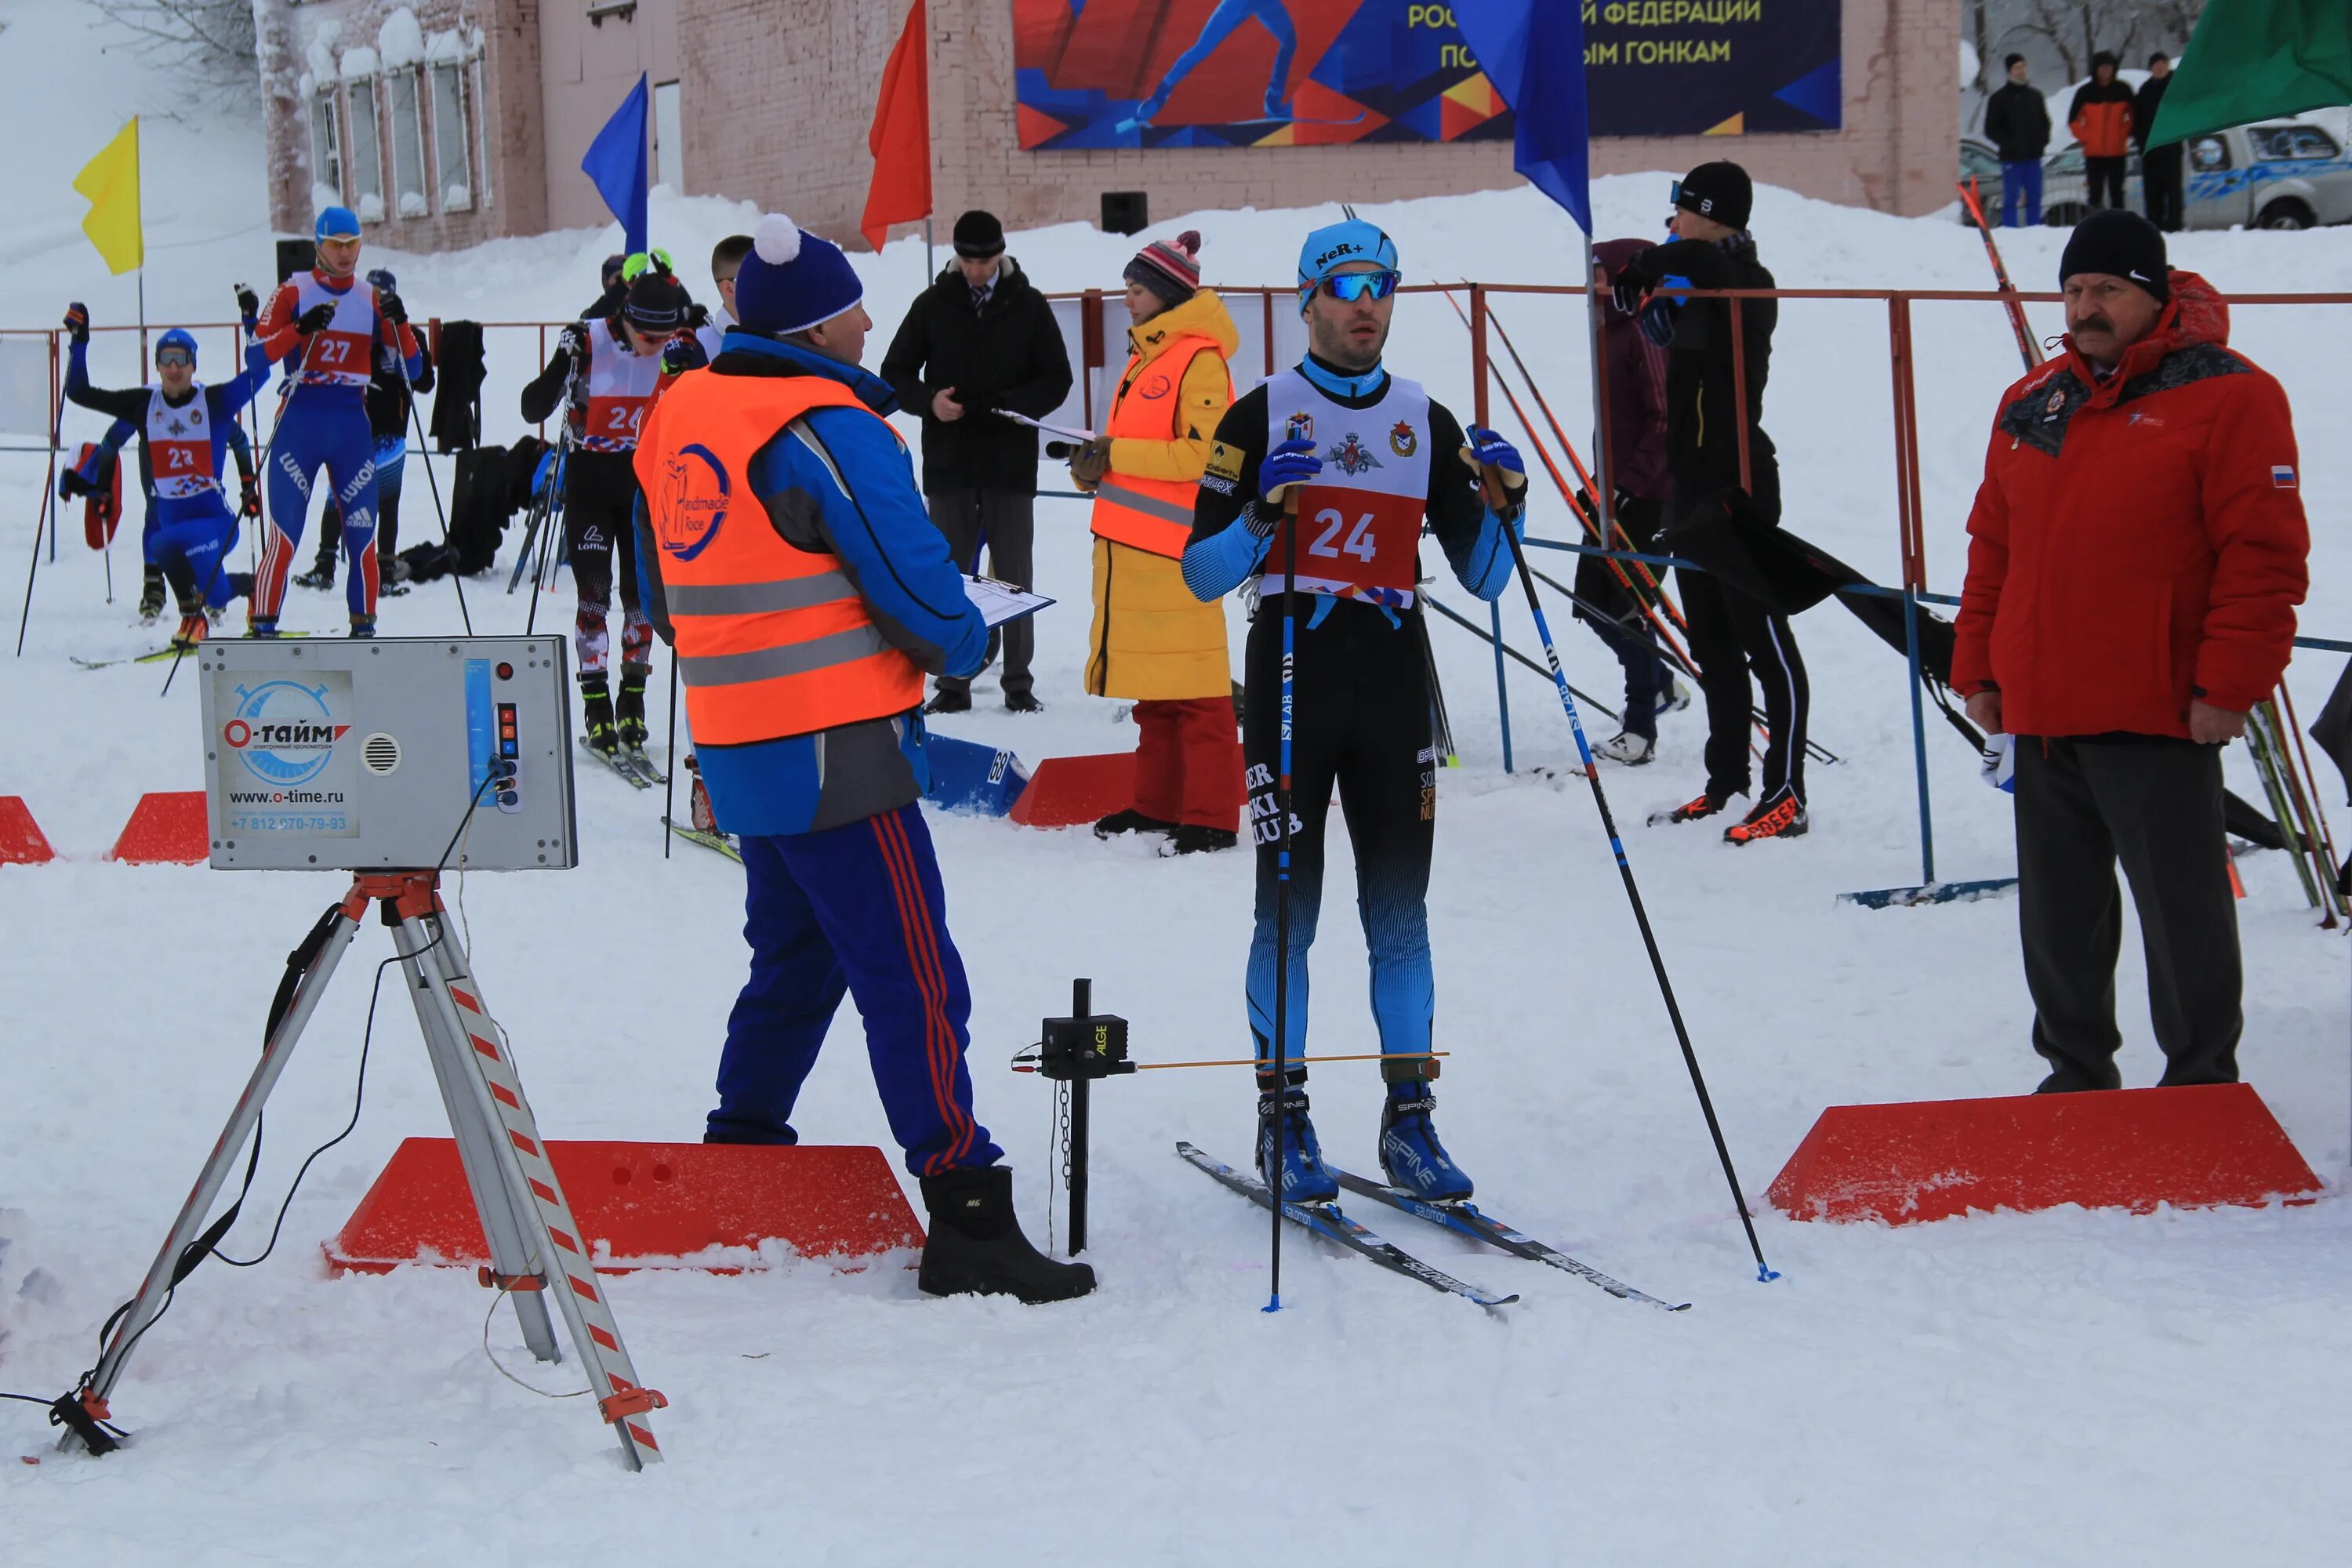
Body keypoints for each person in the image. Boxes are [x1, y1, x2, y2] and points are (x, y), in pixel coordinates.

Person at [631, 212, 1091, 1304]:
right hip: (842, 751)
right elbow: (925, 598)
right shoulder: (830, 429)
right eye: (854, 307)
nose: (870, 319)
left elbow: (660, 600)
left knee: (795, 962)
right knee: (914, 973)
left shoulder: (683, 411)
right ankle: (966, 1207)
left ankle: (742, 1150)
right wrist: (974, 635)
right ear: (817, 326)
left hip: (740, 746)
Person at [1181, 219, 1524, 1203]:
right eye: (1345, 286)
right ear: (1308, 300)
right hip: (1292, 672)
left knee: (1400, 912)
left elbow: (1488, 576)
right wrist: (1258, 516)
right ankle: (1281, 1117)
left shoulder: (1428, 419)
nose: (1365, 303)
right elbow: (1201, 573)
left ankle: (1410, 1122)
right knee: (1288, 909)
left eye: (1381, 285)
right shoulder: (1257, 417)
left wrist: (1513, 500)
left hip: (1388, 678)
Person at [1955, 210, 2308, 1093]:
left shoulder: (2231, 394)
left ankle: (2200, 1082)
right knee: (2058, 916)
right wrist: (1980, 667)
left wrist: (2232, 684)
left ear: (2154, 295)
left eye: (2107, 289)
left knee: (2182, 912)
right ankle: (2075, 1075)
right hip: (2041, 707)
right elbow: (1993, 545)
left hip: (2157, 704)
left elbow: (2263, 557)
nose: (2086, 306)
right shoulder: (2036, 400)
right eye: (2074, 290)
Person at [1610, 162, 1811, 844]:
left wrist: (1652, 263)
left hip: (1741, 485)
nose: (1673, 223)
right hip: (1690, 488)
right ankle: (1726, 783)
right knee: (1715, 648)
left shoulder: (1746, 279)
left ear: (1711, 213)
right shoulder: (1695, 278)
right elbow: (1678, 274)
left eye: (1681, 210)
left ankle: (1788, 792)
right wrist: (1647, 287)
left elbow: (1694, 257)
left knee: (1764, 643)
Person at [1068, 230, 1243, 855]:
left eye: (1136, 289)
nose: (1127, 299)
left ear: (1166, 294)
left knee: (1199, 695)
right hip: (1131, 551)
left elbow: (1204, 454)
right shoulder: (1148, 356)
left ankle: (1213, 817)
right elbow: (1137, 454)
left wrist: (1114, 455)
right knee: (1157, 695)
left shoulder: (1198, 359)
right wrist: (1093, 467)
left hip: (1178, 555)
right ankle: (1157, 805)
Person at [880, 209, 1074, 714]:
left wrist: (1013, 406)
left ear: (1001, 254)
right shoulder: (932, 304)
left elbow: (1057, 378)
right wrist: (930, 403)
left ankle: (1018, 683)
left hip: (1010, 465)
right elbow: (895, 372)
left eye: (984, 261)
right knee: (951, 577)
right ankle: (952, 683)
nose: (975, 270)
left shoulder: (1028, 306)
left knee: (1015, 576)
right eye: (967, 260)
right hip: (950, 466)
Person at [520, 266, 688, 762]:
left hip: (643, 484)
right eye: (647, 336)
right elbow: (533, 410)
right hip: (591, 481)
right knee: (594, 594)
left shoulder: (677, 346)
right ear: (626, 319)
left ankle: (632, 700)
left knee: (641, 598)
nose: (655, 347)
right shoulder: (590, 340)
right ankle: (595, 706)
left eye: (665, 336)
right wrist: (563, 360)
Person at [250, 205, 422, 637]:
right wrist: (299, 330)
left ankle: (364, 631)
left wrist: (401, 325)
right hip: (299, 423)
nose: (345, 255)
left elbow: (415, 373)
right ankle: (263, 627)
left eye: (353, 246)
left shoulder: (371, 299)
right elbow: (255, 356)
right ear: (319, 246)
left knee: (363, 540)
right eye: (336, 246)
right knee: (285, 538)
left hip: (350, 427)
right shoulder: (293, 291)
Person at [60, 302, 270, 649]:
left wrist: (252, 325)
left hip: (214, 523)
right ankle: (193, 617)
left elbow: (259, 376)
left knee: (210, 588)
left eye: (182, 359)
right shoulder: (145, 405)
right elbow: (80, 393)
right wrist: (79, 340)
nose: (174, 367)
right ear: (157, 364)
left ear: (194, 365)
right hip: (173, 524)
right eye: (167, 359)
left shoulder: (214, 402)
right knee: (160, 541)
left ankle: (252, 586)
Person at [1579, 237, 1686, 767]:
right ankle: (1662, 683)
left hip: (1648, 496)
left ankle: (1640, 729)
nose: (1592, 285)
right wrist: (1601, 481)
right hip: (1613, 491)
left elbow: (1664, 419)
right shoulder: (1613, 332)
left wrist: (1629, 485)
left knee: (1628, 608)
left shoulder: (1645, 333)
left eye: (1600, 274)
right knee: (1592, 601)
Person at [295, 267, 435, 597]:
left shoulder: (408, 332)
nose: (375, 304)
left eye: (382, 298)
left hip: (390, 428)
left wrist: (401, 352)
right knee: (336, 494)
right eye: (370, 296)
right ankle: (325, 564)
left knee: (387, 498)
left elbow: (426, 381)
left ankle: (384, 568)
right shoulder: (353, 330)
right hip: (350, 424)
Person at [79, 408, 258, 625]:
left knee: (198, 535)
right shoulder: (148, 405)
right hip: (160, 485)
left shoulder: (207, 406)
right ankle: (155, 586)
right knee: (158, 514)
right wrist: (104, 487)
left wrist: (248, 487)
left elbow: (240, 440)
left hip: (206, 508)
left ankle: (213, 585)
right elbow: (111, 441)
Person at [1130, 0, 1298, 126]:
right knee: (1201, 49)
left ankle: (1273, 100)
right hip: (1237, 4)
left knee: (1289, 41)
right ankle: (1160, 94)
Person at [1983, 53, 2052, 228]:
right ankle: (2010, 232)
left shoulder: (2035, 96)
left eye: (2023, 66)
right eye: (2016, 68)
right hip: (2012, 159)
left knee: (2035, 197)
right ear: (2009, 72)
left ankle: (2034, 229)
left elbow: (2045, 123)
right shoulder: (1999, 99)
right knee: (2011, 199)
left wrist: (2042, 142)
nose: (2020, 71)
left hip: (2033, 157)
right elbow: (1991, 129)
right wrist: (2009, 143)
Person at [2069, 53, 2136, 212]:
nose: (2106, 70)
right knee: (2095, 193)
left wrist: (2123, 133)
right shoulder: (2085, 92)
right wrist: (2087, 138)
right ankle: (2095, 225)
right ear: (2096, 69)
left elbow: (2134, 115)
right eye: (2102, 67)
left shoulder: (2124, 89)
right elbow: (2073, 121)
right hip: (2093, 153)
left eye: (2109, 67)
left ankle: (2119, 223)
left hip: (2117, 151)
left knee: (2117, 191)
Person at [2136, 53, 2183, 233]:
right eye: (2156, 64)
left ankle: (2175, 226)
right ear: (2151, 68)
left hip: (2172, 145)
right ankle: (2153, 226)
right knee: (2152, 190)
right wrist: (2142, 142)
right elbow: (2137, 120)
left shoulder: (2176, 86)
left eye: (2163, 64)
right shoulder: (2145, 90)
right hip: (2150, 148)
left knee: (2173, 189)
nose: (2160, 67)